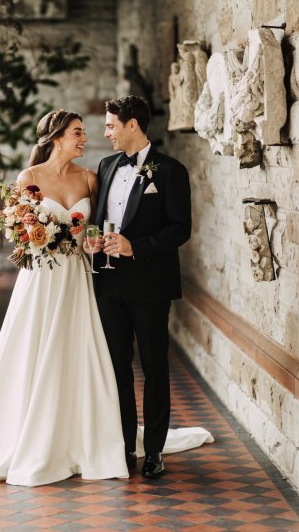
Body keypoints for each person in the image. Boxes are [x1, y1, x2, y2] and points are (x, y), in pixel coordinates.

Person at [0, 109, 129, 486]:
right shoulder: (28, 178)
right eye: (78, 133)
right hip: (39, 281)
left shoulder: (90, 179)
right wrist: (40, 235)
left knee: (76, 350)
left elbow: (93, 229)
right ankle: (26, 435)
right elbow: (16, 233)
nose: (85, 139)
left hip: (75, 280)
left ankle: (79, 436)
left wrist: (93, 240)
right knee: (31, 349)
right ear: (57, 137)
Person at [91, 95, 192, 478]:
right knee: (117, 368)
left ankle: (154, 452)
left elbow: (180, 228)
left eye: (111, 126)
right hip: (108, 284)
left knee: (153, 368)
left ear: (132, 125)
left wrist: (137, 247)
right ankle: (123, 446)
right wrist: (94, 241)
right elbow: (102, 220)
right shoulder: (105, 165)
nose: (106, 132)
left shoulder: (170, 171)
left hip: (150, 286)